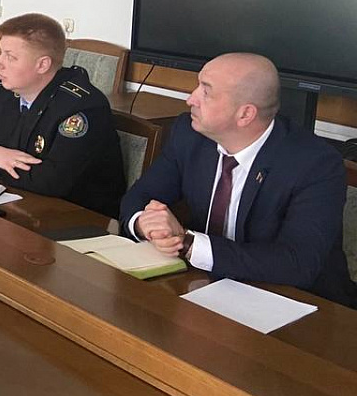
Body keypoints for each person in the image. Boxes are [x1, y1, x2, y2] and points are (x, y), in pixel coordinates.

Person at [121, 53, 356, 307]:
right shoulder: (189, 134)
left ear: (245, 114)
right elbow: (140, 196)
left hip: (299, 305)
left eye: (206, 92)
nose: (191, 99)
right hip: (205, 288)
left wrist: (189, 244)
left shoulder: (315, 164)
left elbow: (297, 263)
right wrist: (145, 223)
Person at [0, 13, 124, 217]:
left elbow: (51, 181)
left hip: (75, 218)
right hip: (15, 202)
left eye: (10, 57)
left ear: (42, 65)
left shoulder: (81, 108)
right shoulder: (0, 94)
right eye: (0, 54)